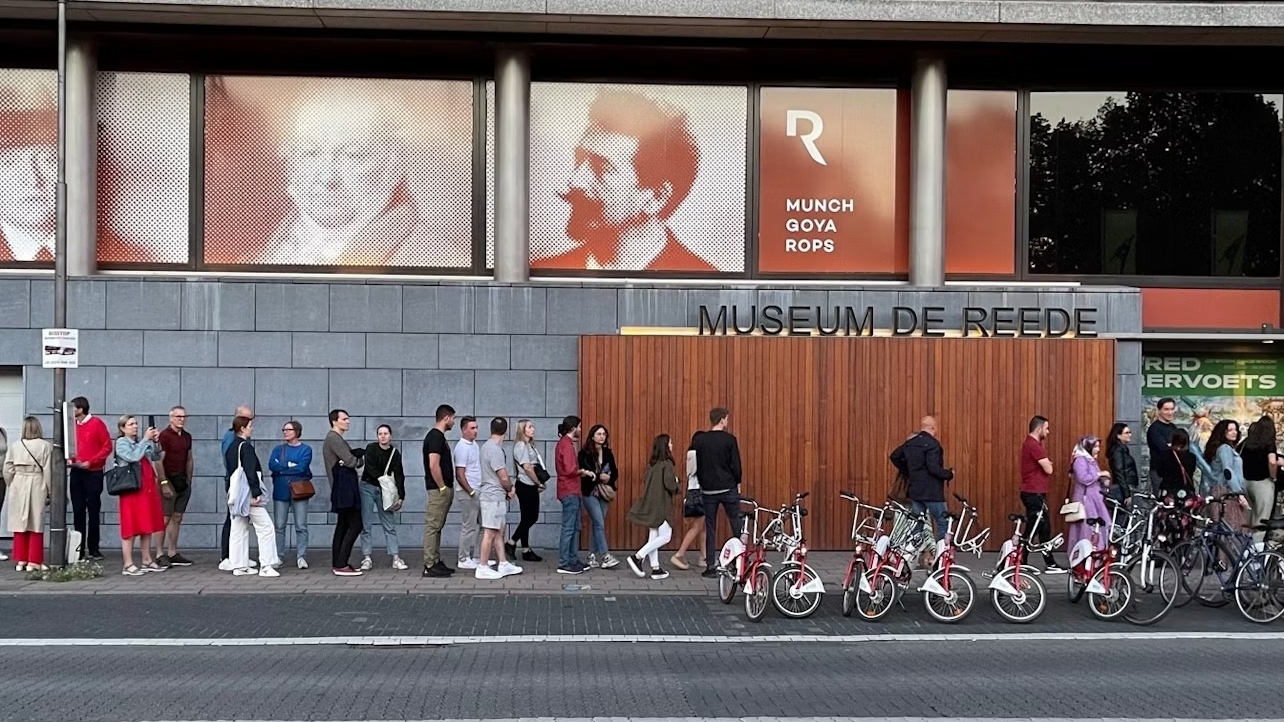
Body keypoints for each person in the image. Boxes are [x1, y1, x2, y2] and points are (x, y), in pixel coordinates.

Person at [532, 88, 716, 273]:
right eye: (580, 159)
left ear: (656, 198)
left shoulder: (706, 285)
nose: (575, 181)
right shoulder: (543, 271)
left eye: (602, 167)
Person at [889, 415, 954, 569]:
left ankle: (907, 557)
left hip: (916, 492)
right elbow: (933, 468)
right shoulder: (933, 445)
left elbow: (894, 456)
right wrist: (949, 474)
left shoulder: (910, 443)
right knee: (942, 522)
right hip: (932, 493)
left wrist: (908, 471)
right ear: (932, 427)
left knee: (917, 524)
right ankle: (940, 560)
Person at [223, 415, 280, 577]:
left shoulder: (231, 447)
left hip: (235, 494)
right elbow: (250, 471)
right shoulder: (245, 447)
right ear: (242, 428)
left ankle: (239, 565)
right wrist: (256, 493)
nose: (252, 428)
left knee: (238, 529)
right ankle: (267, 565)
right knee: (266, 528)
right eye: (250, 426)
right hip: (247, 493)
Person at [694, 407, 743, 578]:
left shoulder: (701, 440)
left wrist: (702, 482)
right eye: (727, 419)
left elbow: (698, 465)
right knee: (736, 523)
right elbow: (736, 465)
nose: (727, 422)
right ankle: (740, 562)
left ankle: (710, 566)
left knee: (710, 527)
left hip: (708, 489)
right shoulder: (730, 440)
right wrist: (737, 482)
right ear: (722, 420)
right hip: (727, 487)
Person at [114, 415, 167, 576]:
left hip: (146, 488)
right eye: (130, 424)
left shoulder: (140, 442)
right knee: (130, 526)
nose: (135, 427)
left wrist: (156, 441)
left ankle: (146, 559)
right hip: (131, 489)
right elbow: (132, 457)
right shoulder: (121, 443)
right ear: (123, 428)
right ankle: (128, 563)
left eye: (136, 423)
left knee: (147, 525)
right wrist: (145, 440)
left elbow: (157, 456)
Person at [626, 434, 680, 580]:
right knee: (666, 536)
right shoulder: (667, 464)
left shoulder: (652, 464)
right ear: (665, 446)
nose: (672, 445)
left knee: (654, 535)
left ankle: (655, 568)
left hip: (650, 503)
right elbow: (670, 484)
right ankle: (638, 557)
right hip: (661, 505)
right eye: (670, 443)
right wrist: (677, 482)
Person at [475, 417, 523, 580]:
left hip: (494, 495)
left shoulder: (485, 447)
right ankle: (482, 566)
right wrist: (510, 489)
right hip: (492, 496)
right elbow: (503, 476)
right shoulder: (494, 450)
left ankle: (502, 563)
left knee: (498, 530)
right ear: (506, 431)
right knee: (490, 531)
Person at [3, 417, 51, 571]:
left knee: (20, 522)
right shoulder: (45, 446)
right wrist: (50, 491)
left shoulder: (15, 446)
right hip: (36, 481)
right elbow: (48, 470)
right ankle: (34, 560)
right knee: (36, 522)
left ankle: (21, 559)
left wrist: (12, 482)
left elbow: (7, 469)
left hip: (18, 482)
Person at [1020, 415, 1065, 573]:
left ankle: (1036, 561)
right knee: (1036, 528)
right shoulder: (1034, 446)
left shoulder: (1031, 444)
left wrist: (1047, 463)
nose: (1048, 431)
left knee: (1039, 528)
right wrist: (1048, 463)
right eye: (1046, 428)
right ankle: (1030, 561)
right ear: (1038, 429)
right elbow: (1049, 469)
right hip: (1034, 492)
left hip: (1034, 492)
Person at [68, 396, 112, 561]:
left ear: (80, 409)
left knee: (93, 510)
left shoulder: (97, 424)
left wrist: (92, 462)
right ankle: (78, 549)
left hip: (93, 472)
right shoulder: (73, 426)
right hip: (77, 471)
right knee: (78, 509)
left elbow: (107, 446)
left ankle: (94, 547)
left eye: (74, 408)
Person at [359, 424, 407, 571]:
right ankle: (366, 557)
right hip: (368, 487)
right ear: (377, 436)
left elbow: (399, 473)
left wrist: (401, 495)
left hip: (385, 491)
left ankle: (395, 557)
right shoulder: (371, 448)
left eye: (386, 433)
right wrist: (384, 481)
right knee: (365, 524)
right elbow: (371, 469)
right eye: (380, 433)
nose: (383, 436)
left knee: (389, 523)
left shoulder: (394, 453)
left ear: (390, 436)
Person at [323, 409, 365, 576]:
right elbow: (352, 461)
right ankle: (341, 563)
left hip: (342, 487)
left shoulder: (336, 439)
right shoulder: (334, 438)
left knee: (343, 525)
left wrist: (352, 459)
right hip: (344, 487)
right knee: (355, 524)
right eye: (344, 419)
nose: (348, 422)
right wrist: (354, 458)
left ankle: (338, 562)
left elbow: (352, 461)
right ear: (335, 421)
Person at [268, 420, 313, 570]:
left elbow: (302, 468)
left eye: (289, 429)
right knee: (279, 526)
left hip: (299, 491)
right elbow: (272, 466)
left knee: (301, 525)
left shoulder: (306, 449)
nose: (285, 432)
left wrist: (281, 470)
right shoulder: (278, 449)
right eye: (284, 429)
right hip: (280, 491)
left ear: (297, 432)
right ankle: (279, 556)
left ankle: (301, 556)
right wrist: (288, 465)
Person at [155, 405, 194, 567]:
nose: (181, 419)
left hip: (182, 480)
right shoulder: (164, 436)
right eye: (178, 416)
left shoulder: (187, 436)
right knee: (165, 517)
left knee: (177, 517)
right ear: (171, 418)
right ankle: (159, 552)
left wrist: (189, 480)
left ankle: (172, 551)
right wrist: (163, 483)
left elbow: (189, 458)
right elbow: (158, 461)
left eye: (183, 417)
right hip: (168, 479)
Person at [219, 405, 256, 571]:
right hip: (235, 482)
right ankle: (227, 555)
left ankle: (237, 555)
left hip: (238, 481)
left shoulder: (239, 437)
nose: (251, 423)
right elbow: (232, 460)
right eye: (248, 419)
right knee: (233, 518)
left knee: (239, 519)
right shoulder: (231, 437)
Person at [422, 404, 456, 578]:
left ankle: (435, 560)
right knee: (433, 526)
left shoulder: (439, 437)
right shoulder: (435, 437)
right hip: (438, 489)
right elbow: (433, 464)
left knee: (438, 526)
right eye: (453, 418)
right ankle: (429, 564)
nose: (454, 422)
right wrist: (442, 486)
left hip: (443, 487)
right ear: (446, 418)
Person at [555, 415, 592, 575]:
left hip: (569, 490)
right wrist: (582, 471)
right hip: (569, 490)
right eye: (579, 426)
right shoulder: (567, 445)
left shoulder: (564, 443)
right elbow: (570, 469)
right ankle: (565, 562)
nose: (581, 430)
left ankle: (572, 559)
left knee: (574, 526)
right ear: (573, 428)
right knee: (570, 527)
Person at [579, 424, 619, 569]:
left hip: (605, 492)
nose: (602, 437)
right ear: (592, 436)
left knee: (598, 524)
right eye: (599, 434)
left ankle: (591, 556)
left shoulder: (608, 453)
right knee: (599, 522)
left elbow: (615, 472)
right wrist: (598, 477)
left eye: (604, 434)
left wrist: (609, 478)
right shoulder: (584, 453)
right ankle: (605, 556)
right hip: (590, 492)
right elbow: (584, 474)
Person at [507, 419, 545, 563]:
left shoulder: (529, 445)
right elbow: (527, 467)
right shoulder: (521, 446)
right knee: (531, 517)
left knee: (526, 518)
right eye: (529, 427)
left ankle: (526, 549)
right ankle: (511, 542)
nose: (533, 429)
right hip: (526, 485)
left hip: (530, 484)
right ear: (522, 430)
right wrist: (538, 482)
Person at [1068, 435, 1112, 553]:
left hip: (1094, 499)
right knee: (1087, 528)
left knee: (1096, 526)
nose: (1098, 449)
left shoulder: (1090, 460)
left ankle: (1096, 553)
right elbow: (1084, 478)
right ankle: (1085, 554)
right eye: (1095, 446)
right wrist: (1100, 474)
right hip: (1085, 500)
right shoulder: (1080, 460)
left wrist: (1104, 481)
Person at [1203, 419, 1250, 532]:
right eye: (1230, 430)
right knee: (1231, 527)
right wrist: (1239, 494)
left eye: (1235, 430)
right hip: (1226, 492)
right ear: (1223, 432)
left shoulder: (1222, 448)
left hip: (1221, 490)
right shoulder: (1225, 448)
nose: (1234, 432)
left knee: (1224, 527)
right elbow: (1228, 472)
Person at [669, 431, 706, 571]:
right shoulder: (697, 455)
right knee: (697, 526)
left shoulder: (691, 454)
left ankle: (703, 556)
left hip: (693, 491)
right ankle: (680, 553)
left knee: (703, 527)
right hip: (700, 492)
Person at [1241, 416, 1280, 544]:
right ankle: (1257, 552)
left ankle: (1245, 550)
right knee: (1262, 520)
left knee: (1249, 518)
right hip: (1262, 484)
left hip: (1245, 483)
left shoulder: (1246, 442)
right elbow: (1272, 461)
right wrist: (1273, 477)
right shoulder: (1268, 443)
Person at [452, 416, 484, 571]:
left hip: (478, 490)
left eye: (476, 427)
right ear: (463, 429)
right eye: (472, 428)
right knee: (469, 526)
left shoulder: (474, 445)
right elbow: (459, 473)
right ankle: (463, 558)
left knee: (484, 525)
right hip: (468, 492)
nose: (476, 431)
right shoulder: (461, 447)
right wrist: (470, 491)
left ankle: (478, 556)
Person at [1155, 428, 1198, 500]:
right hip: (1186, 490)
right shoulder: (1191, 457)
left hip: (1168, 490)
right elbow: (1191, 471)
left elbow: (1160, 473)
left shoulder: (1164, 455)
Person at [1146, 397, 1178, 494]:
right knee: (1162, 502)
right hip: (1159, 472)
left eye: (1172, 409)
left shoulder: (1173, 427)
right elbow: (1165, 450)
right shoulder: (1154, 429)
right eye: (1166, 409)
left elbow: (1179, 447)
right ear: (1159, 411)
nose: (1170, 412)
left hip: (1173, 471)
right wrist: (1172, 447)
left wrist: (1171, 446)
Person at [1105, 423, 1140, 504]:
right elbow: (1119, 472)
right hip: (1124, 488)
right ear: (1118, 436)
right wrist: (1126, 494)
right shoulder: (1118, 451)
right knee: (1124, 514)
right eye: (1126, 433)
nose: (1130, 435)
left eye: (1130, 432)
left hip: (1126, 486)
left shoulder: (1122, 449)